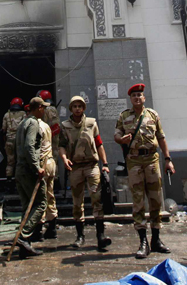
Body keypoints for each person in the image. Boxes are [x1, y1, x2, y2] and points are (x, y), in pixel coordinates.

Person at [114, 83, 174, 259]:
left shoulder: (153, 115)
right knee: (138, 201)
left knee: (156, 200)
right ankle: (143, 242)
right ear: (130, 99)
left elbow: (161, 138)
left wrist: (168, 160)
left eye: (140, 95)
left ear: (144, 98)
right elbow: (116, 135)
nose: (137, 98)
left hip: (152, 160)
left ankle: (156, 239)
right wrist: (121, 140)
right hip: (134, 161)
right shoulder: (124, 116)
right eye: (134, 96)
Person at [59, 94, 112, 251]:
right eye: (74, 106)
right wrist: (63, 158)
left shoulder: (91, 123)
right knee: (77, 202)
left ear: (83, 108)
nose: (77, 109)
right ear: (71, 108)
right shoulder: (65, 125)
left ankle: (100, 236)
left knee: (97, 198)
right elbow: (61, 145)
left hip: (91, 165)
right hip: (75, 167)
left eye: (80, 106)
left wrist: (105, 164)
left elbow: (99, 143)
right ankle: (79, 236)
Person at [13, 96, 50, 257]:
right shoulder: (33, 123)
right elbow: (29, 146)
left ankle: (24, 245)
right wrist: (36, 167)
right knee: (41, 202)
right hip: (29, 170)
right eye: (44, 107)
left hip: (20, 169)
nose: (45, 110)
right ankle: (23, 236)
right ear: (39, 108)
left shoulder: (22, 123)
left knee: (27, 206)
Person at [36, 89, 61, 239]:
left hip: (48, 145)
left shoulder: (48, 110)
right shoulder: (51, 109)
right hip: (51, 143)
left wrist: (45, 137)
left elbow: (55, 127)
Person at [2, 97, 26, 180]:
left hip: (9, 140)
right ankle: (20, 180)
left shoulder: (6, 115)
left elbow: (3, 129)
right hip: (20, 140)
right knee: (20, 160)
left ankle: (9, 180)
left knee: (10, 161)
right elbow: (25, 127)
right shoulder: (23, 114)